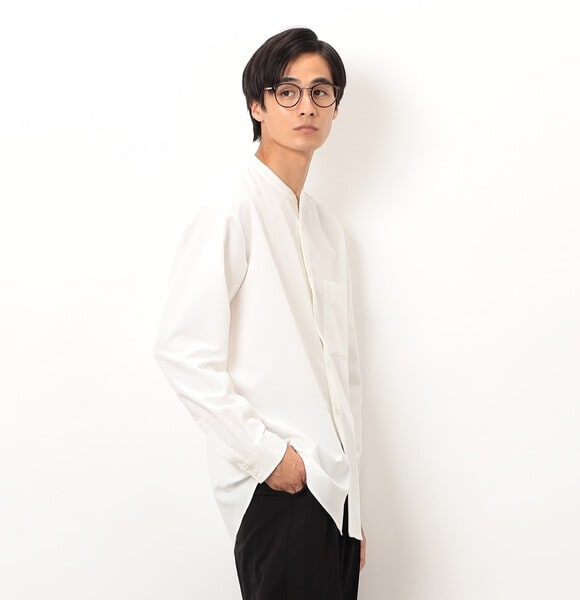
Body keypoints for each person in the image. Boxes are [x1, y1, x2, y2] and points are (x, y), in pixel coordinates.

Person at [154, 27, 366, 600]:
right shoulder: (231, 207)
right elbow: (182, 351)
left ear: (335, 107)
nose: (306, 106)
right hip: (279, 490)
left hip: (334, 496)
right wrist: (269, 459)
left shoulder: (327, 229)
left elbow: (342, 374)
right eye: (287, 91)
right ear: (257, 105)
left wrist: (355, 512)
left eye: (321, 92)